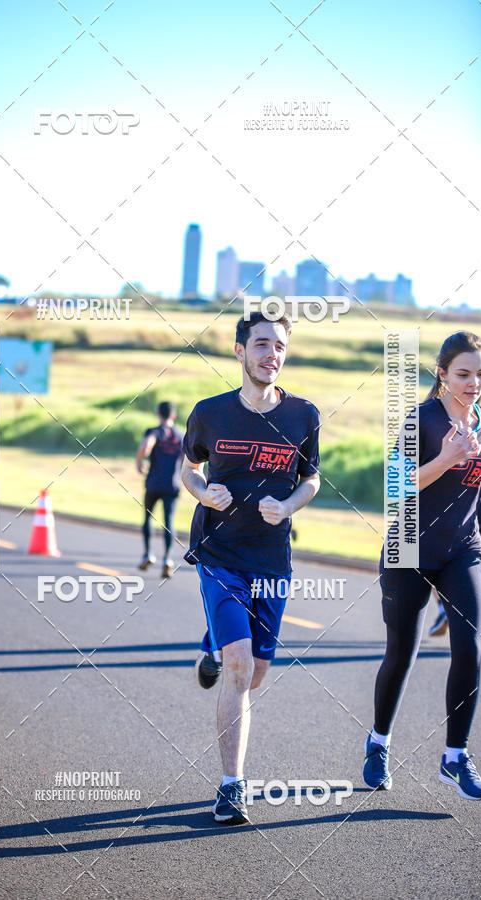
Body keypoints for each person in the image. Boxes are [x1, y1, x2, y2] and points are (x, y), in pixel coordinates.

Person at [181, 311, 320, 824]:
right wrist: (203, 493)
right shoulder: (210, 413)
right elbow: (189, 469)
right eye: (261, 344)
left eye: (279, 346)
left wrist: (288, 506)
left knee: (256, 673)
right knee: (239, 667)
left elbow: (312, 479)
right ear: (240, 352)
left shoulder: (304, 415)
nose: (271, 354)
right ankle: (231, 786)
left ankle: (212, 641)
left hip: (271, 562)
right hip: (220, 556)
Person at [364, 331, 481, 800]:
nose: (474, 382)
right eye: (463, 374)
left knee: (471, 646)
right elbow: (396, 486)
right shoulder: (421, 420)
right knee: (402, 651)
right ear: (442, 374)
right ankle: (378, 743)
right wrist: (446, 458)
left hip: (462, 549)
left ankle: (455, 757)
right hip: (409, 548)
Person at [429, 493, 481, 639]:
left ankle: (447, 610)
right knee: (468, 570)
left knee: (429, 568)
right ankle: (471, 614)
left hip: (453, 515)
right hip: (476, 512)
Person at [135, 401, 183, 578]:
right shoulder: (180, 435)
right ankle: (168, 559)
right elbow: (188, 457)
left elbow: (147, 445)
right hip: (172, 485)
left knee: (148, 517)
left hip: (154, 484)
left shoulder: (154, 431)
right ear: (173, 415)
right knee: (169, 521)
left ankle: (148, 554)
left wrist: (139, 461)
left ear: (158, 414)